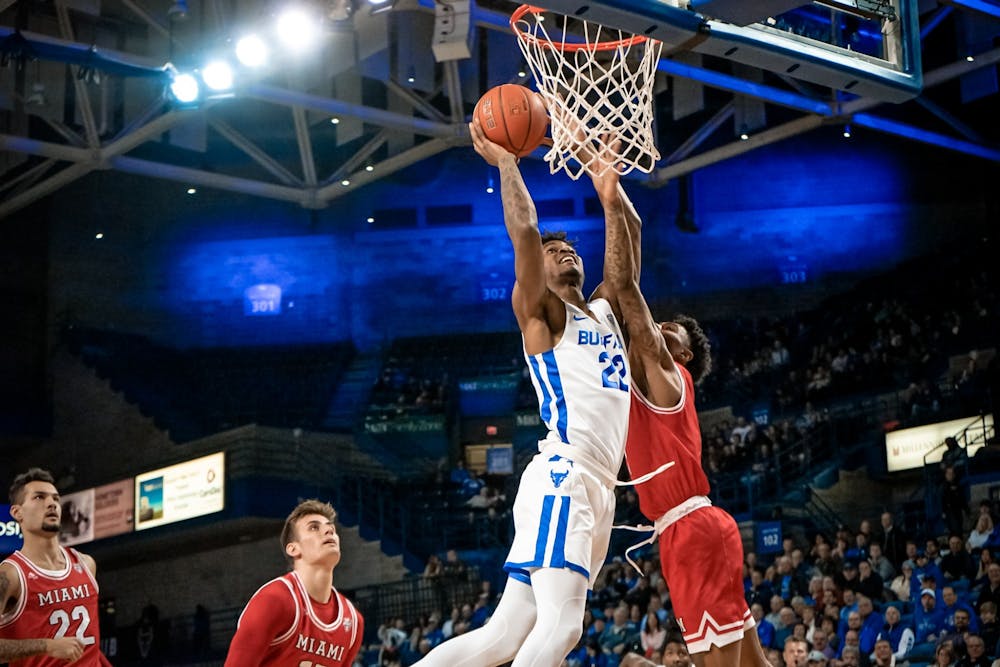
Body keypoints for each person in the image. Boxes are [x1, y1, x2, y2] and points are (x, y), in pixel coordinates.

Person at [411, 118, 634, 667]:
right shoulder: (544, 314)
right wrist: (509, 163)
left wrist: (610, 192)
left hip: (600, 487)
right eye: (555, 253)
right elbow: (527, 233)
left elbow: (627, 257)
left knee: (504, 636)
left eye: (569, 249)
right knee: (561, 627)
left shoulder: (607, 309)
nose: (565, 254)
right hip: (567, 472)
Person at [601, 145, 771, 667]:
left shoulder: (667, 374)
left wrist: (607, 197)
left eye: (666, 327)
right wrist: (621, 208)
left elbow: (627, 292)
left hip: (690, 530)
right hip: (697, 527)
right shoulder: (654, 383)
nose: (657, 327)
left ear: (684, 353)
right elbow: (625, 286)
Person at [224, 499, 364, 667]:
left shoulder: (354, 622)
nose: (328, 530)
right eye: (314, 527)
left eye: (331, 528)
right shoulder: (274, 600)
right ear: (293, 548)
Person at [0, 467, 111, 667]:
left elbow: (90, 645)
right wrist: (47, 646)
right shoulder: (10, 575)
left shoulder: (86, 564)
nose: (51, 503)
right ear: (17, 512)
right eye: (39, 498)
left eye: (56, 499)